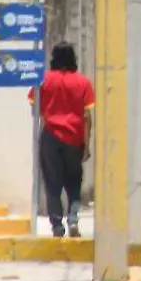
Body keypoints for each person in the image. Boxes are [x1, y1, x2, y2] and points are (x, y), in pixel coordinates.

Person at [28, 41, 94, 238]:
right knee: (74, 182)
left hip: (50, 137)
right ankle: (73, 220)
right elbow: (87, 117)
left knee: (52, 184)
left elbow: (34, 108)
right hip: (74, 139)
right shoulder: (83, 83)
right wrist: (86, 145)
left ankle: (57, 226)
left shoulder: (44, 80)